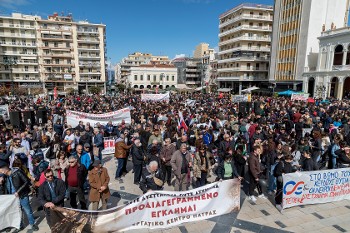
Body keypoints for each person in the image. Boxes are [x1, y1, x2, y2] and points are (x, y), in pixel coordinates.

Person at [0, 165, 39, 232]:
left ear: (5, 170)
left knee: (27, 210)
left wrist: (18, 191)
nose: (1, 173)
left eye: (1, 171)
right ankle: (20, 226)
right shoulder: (5, 177)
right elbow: (5, 187)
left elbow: (26, 181)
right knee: (17, 212)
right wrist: (1, 182)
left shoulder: (17, 172)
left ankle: (33, 224)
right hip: (12, 198)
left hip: (22, 195)